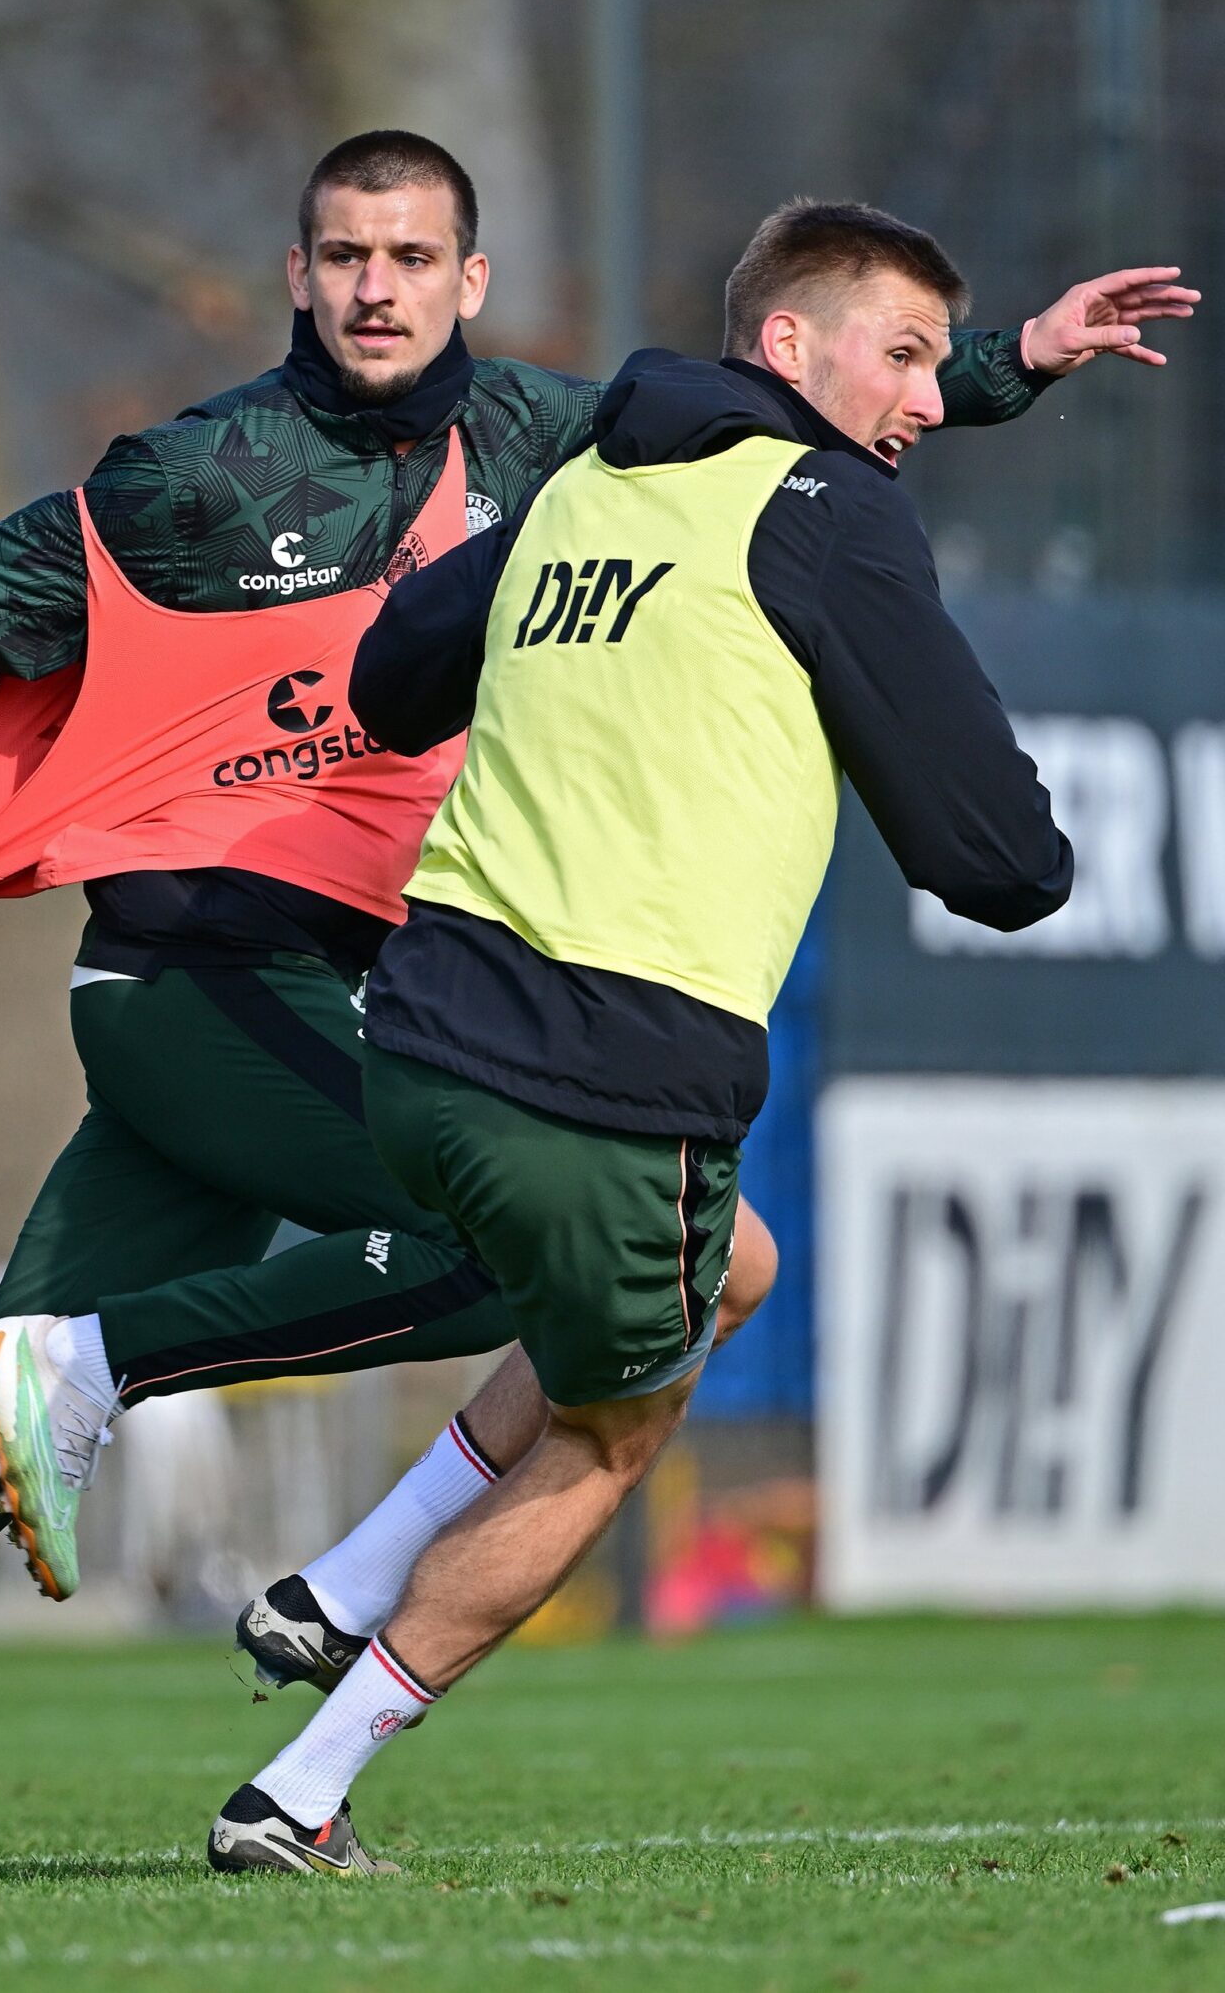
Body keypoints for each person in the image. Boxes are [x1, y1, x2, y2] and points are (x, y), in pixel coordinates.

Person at [0, 132, 1154, 1884]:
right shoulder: (204, 473)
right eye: (346, 255)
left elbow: (777, 401)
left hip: (317, 994)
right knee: (568, 1240)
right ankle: (241, 1504)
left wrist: (995, 372)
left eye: (415, 257)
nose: (377, 287)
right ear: (298, 272)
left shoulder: (544, 447)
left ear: (469, 283)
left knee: (4, 1419)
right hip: (200, 970)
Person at [205, 198, 1088, 1871]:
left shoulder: (587, 487)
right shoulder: (829, 513)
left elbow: (393, 678)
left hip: (419, 1041)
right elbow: (997, 861)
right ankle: (302, 1788)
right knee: (621, 1428)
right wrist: (1034, 846)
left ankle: (343, 1577)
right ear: (786, 352)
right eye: (898, 359)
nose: (920, 401)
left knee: (727, 1269)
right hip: (605, 1079)